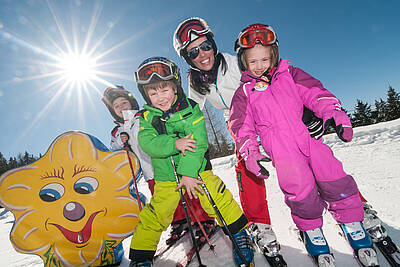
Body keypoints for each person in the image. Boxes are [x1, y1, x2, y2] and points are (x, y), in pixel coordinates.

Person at [173, 17, 325, 257]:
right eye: (193, 52)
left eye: (205, 46)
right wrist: (190, 146)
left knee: (306, 155)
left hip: (267, 109)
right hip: (238, 121)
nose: (203, 54)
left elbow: (273, 74)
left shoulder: (235, 63)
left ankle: (350, 200)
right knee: (247, 165)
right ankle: (259, 223)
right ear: (187, 58)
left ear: (213, 44)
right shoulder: (196, 83)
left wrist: (304, 111)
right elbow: (193, 113)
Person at [229, 23, 377, 262]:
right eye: (253, 61)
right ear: (243, 63)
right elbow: (241, 128)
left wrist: (334, 113)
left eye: (265, 59)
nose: (259, 66)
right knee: (300, 192)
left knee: (335, 179)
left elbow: (315, 93)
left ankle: (351, 222)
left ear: (273, 56)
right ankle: (310, 229)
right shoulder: (244, 93)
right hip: (283, 152)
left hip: (311, 140)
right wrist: (250, 153)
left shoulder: (290, 74)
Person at [128, 56, 254, 267]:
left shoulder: (191, 109)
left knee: (217, 196)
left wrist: (188, 173)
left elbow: (198, 142)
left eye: (164, 90)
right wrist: (174, 143)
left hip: (198, 171)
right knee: (157, 213)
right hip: (166, 177)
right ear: (146, 96)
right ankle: (141, 257)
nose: (160, 97)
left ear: (175, 88)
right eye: (153, 93)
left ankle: (240, 234)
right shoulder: (146, 118)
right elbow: (147, 143)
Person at [102, 86, 214, 245]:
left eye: (124, 102)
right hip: (148, 171)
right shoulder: (116, 132)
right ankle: (180, 221)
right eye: (117, 106)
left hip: (165, 164)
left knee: (188, 191)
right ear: (113, 111)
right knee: (163, 202)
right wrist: (121, 141)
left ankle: (204, 219)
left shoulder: (144, 116)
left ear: (132, 102)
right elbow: (114, 151)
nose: (121, 107)